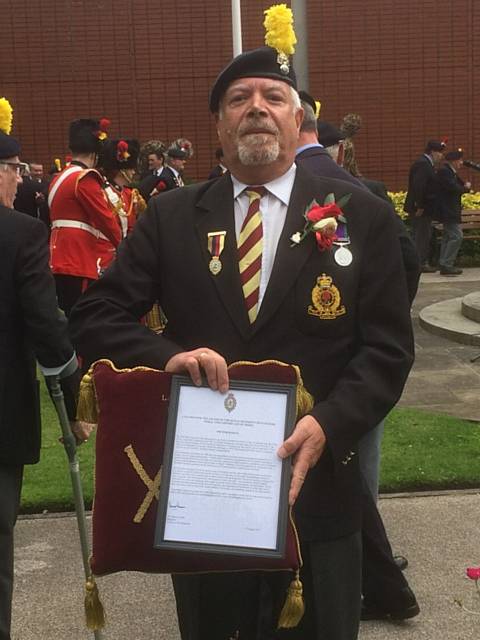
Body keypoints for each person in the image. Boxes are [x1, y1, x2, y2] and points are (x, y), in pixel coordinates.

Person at [70, 44, 414, 640]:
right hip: (206, 495)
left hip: (317, 488)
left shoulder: (364, 214)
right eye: (239, 99)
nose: (257, 108)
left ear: (297, 117)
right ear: (220, 126)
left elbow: (387, 349)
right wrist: (167, 357)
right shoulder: (170, 216)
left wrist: (331, 422)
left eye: (273, 97)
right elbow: (97, 314)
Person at [297, 97, 419, 619]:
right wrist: (375, 317)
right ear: (337, 144)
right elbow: (408, 261)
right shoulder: (365, 192)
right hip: (354, 371)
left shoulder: (354, 200)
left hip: (296, 376)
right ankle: (367, 575)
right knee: (358, 476)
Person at [0, 103, 87, 640]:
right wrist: (76, 403)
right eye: (15, 169)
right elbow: (46, 329)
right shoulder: (19, 234)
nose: (20, 179)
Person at [48, 119, 122, 316]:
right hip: (79, 260)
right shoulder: (85, 178)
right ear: (95, 153)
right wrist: (125, 246)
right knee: (84, 317)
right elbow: (107, 220)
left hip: (59, 256)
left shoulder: (60, 177)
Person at [97, 138, 144, 273]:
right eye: (131, 168)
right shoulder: (103, 192)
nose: (134, 172)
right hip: (104, 255)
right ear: (122, 170)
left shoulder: (129, 194)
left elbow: (132, 228)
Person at [404, 139, 446, 272]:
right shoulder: (423, 164)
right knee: (421, 236)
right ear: (432, 152)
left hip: (425, 208)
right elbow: (419, 186)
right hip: (421, 209)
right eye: (439, 152)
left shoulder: (427, 164)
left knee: (424, 234)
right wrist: (419, 205)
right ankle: (419, 263)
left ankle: (421, 261)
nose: (441, 156)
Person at [435, 149, 470, 276]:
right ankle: (447, 264)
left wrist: (464, 187)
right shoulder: (445, 172)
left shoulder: (450, 172)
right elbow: (453, 187)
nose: (461, 163)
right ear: (453, 161)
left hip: (450, 210)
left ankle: (444, 263)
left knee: (448, 237)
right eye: (459, 160)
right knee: (456, 236)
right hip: (447, 210)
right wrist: (464, 189)